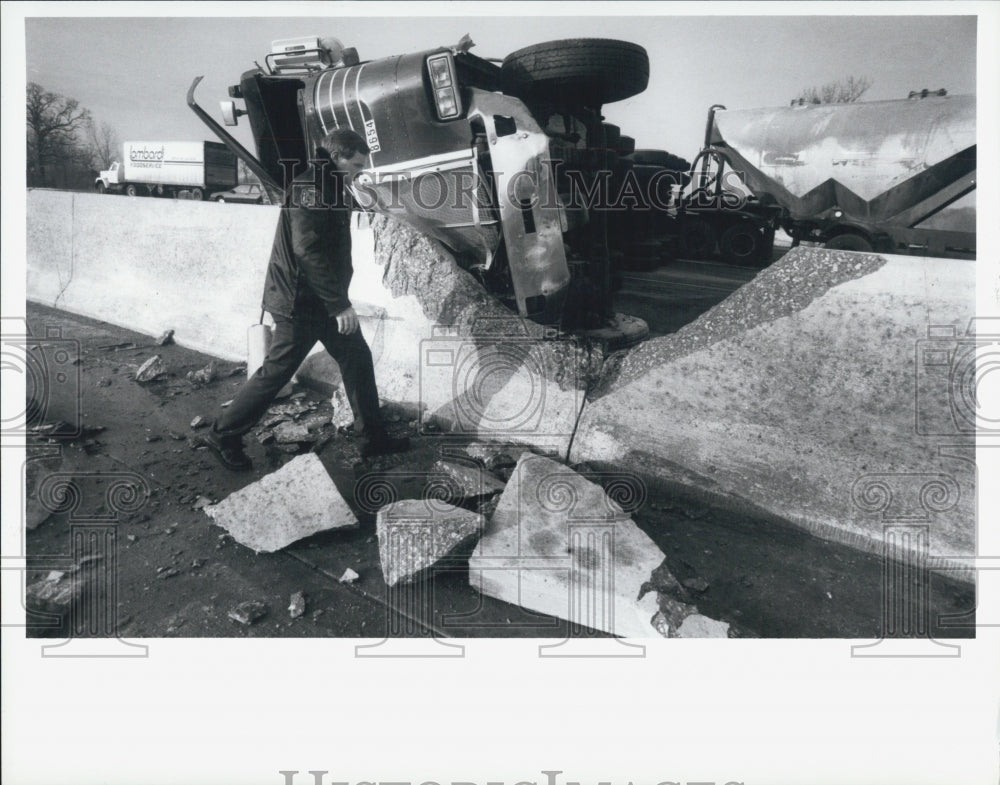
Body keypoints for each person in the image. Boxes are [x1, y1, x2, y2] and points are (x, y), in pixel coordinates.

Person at [200, 128, 409, 470]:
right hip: (301, 301)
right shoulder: (311, 187)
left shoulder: (329, 184)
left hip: (320, 298)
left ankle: (373, 439)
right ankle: (223, 434)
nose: (360, 171)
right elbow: (307, 250)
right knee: (277, 371)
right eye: (356, 164)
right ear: (338, 157)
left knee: (356, 357)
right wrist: (338, 304)